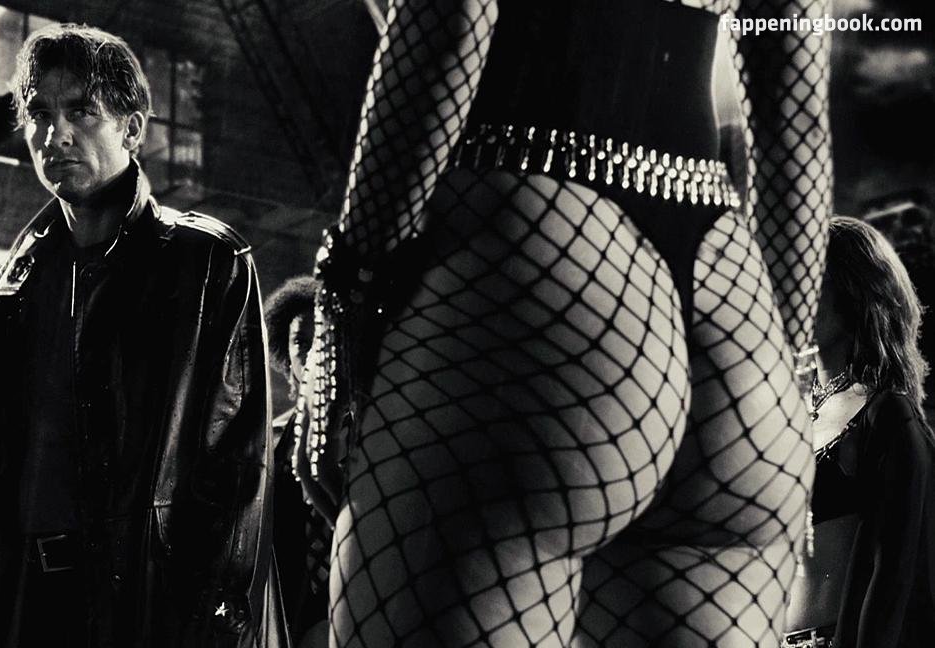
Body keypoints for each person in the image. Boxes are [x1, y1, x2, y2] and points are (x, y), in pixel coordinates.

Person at [296, 0, 832, 646]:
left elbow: (455, 20)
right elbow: (796, 120)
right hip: (733, 320)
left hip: (533, 270)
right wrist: (786, 393)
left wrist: (345, 311)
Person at [0, 24, 282, 647]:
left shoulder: (204, 263)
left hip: (145, 603)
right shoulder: (6, 289)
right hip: (18, 604)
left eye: (81, 111)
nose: (55, 134)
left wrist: (208, 620)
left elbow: (235, 469)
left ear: (132, 128)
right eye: (39, 113)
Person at [784, 216, 935, 647]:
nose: (795, 298)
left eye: (812, 282)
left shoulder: (886, 414)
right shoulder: (790, 409)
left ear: (854, 292)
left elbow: (896, 576)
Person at [264, 276, 330, 648]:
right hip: (286, 610)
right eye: (299, 342)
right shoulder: (270, 437)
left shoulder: (370, 428)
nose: (309, 352)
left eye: (320, 339)